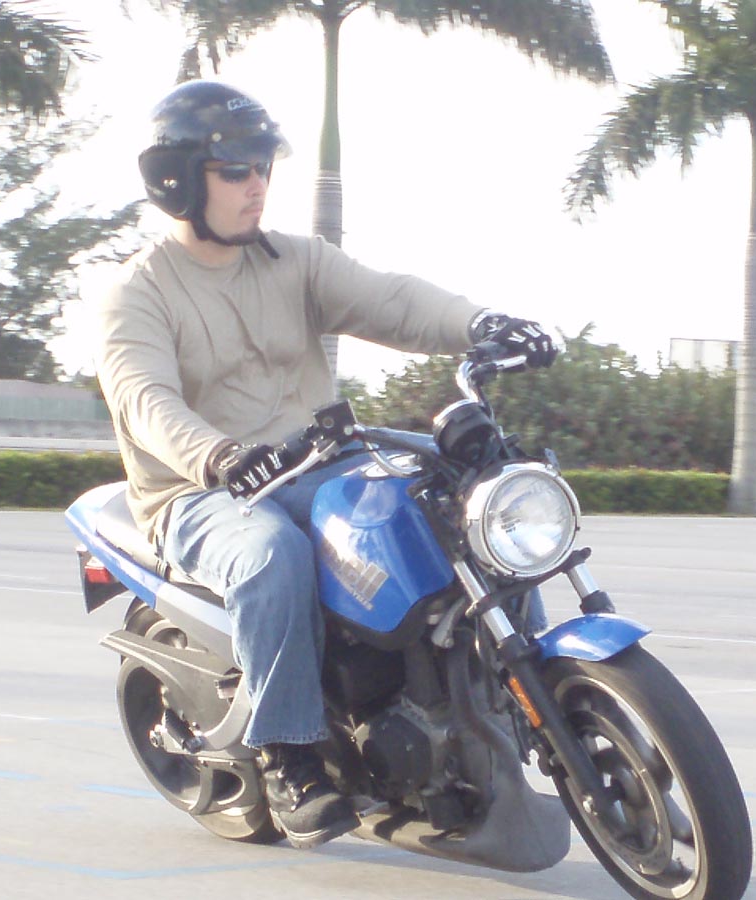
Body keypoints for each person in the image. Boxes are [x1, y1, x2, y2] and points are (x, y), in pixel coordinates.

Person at [91, 79, 556, 849]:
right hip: (203, 493)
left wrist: (481, 323)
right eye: (236, 171)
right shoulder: (136, 292)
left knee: (463, 499)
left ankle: (516, 690)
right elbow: (146, 402)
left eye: (263, 167)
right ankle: (289, 754)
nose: (257, 185)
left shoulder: (294, 261)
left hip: (319, 461)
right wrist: (219, 455)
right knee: (273, 554)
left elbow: (391, 300)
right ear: (178, 181)